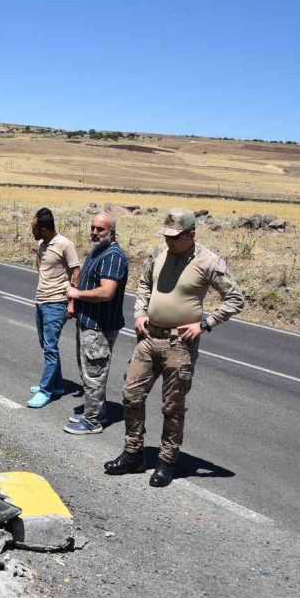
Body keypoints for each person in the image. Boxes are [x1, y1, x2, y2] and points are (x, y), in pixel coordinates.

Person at [104, 208, 245, 487]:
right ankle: (133, 453)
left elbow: (236, 299)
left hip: (179, 344)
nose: (170, 241)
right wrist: (139, 313)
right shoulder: (158, 254)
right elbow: (145, 284)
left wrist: (204, 324)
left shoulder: (208, 261)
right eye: (166, 235)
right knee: (131, 395)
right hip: (148, 339)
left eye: (176, 237)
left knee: (172, 406)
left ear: (191, 234)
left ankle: (167, 461)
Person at [63, 212, 128, 434]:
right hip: (88, 322)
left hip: (100, 327)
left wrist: (77, 295)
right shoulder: (99, 250)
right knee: (88, 371)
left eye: (100, 229)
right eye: (92, 228)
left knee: (94, 373)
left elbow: (106, 292)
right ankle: (95, 411)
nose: (94, 232)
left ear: (112, 231)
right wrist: (74, 303)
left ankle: (92, 422)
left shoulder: (113, 256)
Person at [28, 208, 81, 408]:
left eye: (34, 227)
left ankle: (45, 390)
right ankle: (57, 384)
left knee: (50, 347)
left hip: (56, 302)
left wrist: (71, 302)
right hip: (40, 301)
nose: (32, 231)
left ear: (43, 229)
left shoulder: (65, 244)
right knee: (45, 344)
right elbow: (42, 269)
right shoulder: (42, 244)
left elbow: (76, 272)